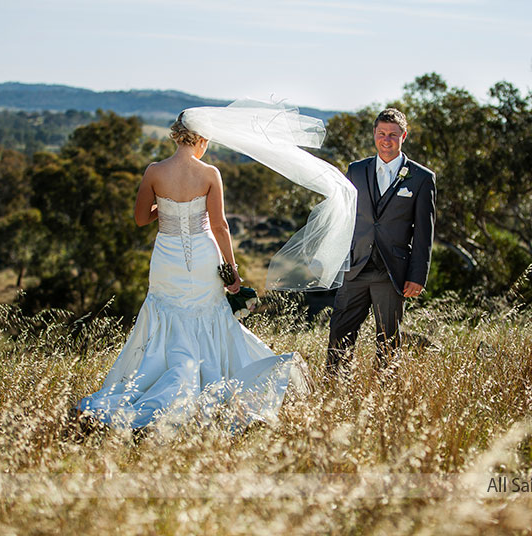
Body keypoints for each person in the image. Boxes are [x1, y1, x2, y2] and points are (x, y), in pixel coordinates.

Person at [73, 111, 312, 434]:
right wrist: (233, 272)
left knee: (166, 315)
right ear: (201, 139)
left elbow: (141, 218)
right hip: (203, 256)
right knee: (208, 315)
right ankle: (209, 382)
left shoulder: (154, 172)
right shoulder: (210, 173)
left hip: (167, 259)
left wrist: (168, 207)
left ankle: (158, 383)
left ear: (176, 135)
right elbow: (220, 225)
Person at [326, 108, 436, 374]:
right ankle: (332, 390)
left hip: (392, 271)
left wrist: (418, 275)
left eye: (393, 135)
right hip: (356, 268)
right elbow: (345, 217)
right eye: (381, 134)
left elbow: (424, 232)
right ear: (374, 134)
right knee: (339, 333)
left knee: (388, 339)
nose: (386, 140)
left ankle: (384, 395)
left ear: (404, 136)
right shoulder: (356, 170)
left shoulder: (421, 178)